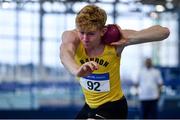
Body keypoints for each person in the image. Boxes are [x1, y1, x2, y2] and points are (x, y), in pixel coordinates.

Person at [60, 4, 169, 119]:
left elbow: (164, 32)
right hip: (90, 106)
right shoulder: (72, 37)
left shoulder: (115, 43)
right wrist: (77, 70)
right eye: (81, 32)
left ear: (103, 31)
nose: (85, 39)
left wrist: (129, 39)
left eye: (91, 34)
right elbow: (65, 53)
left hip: (114, 106)